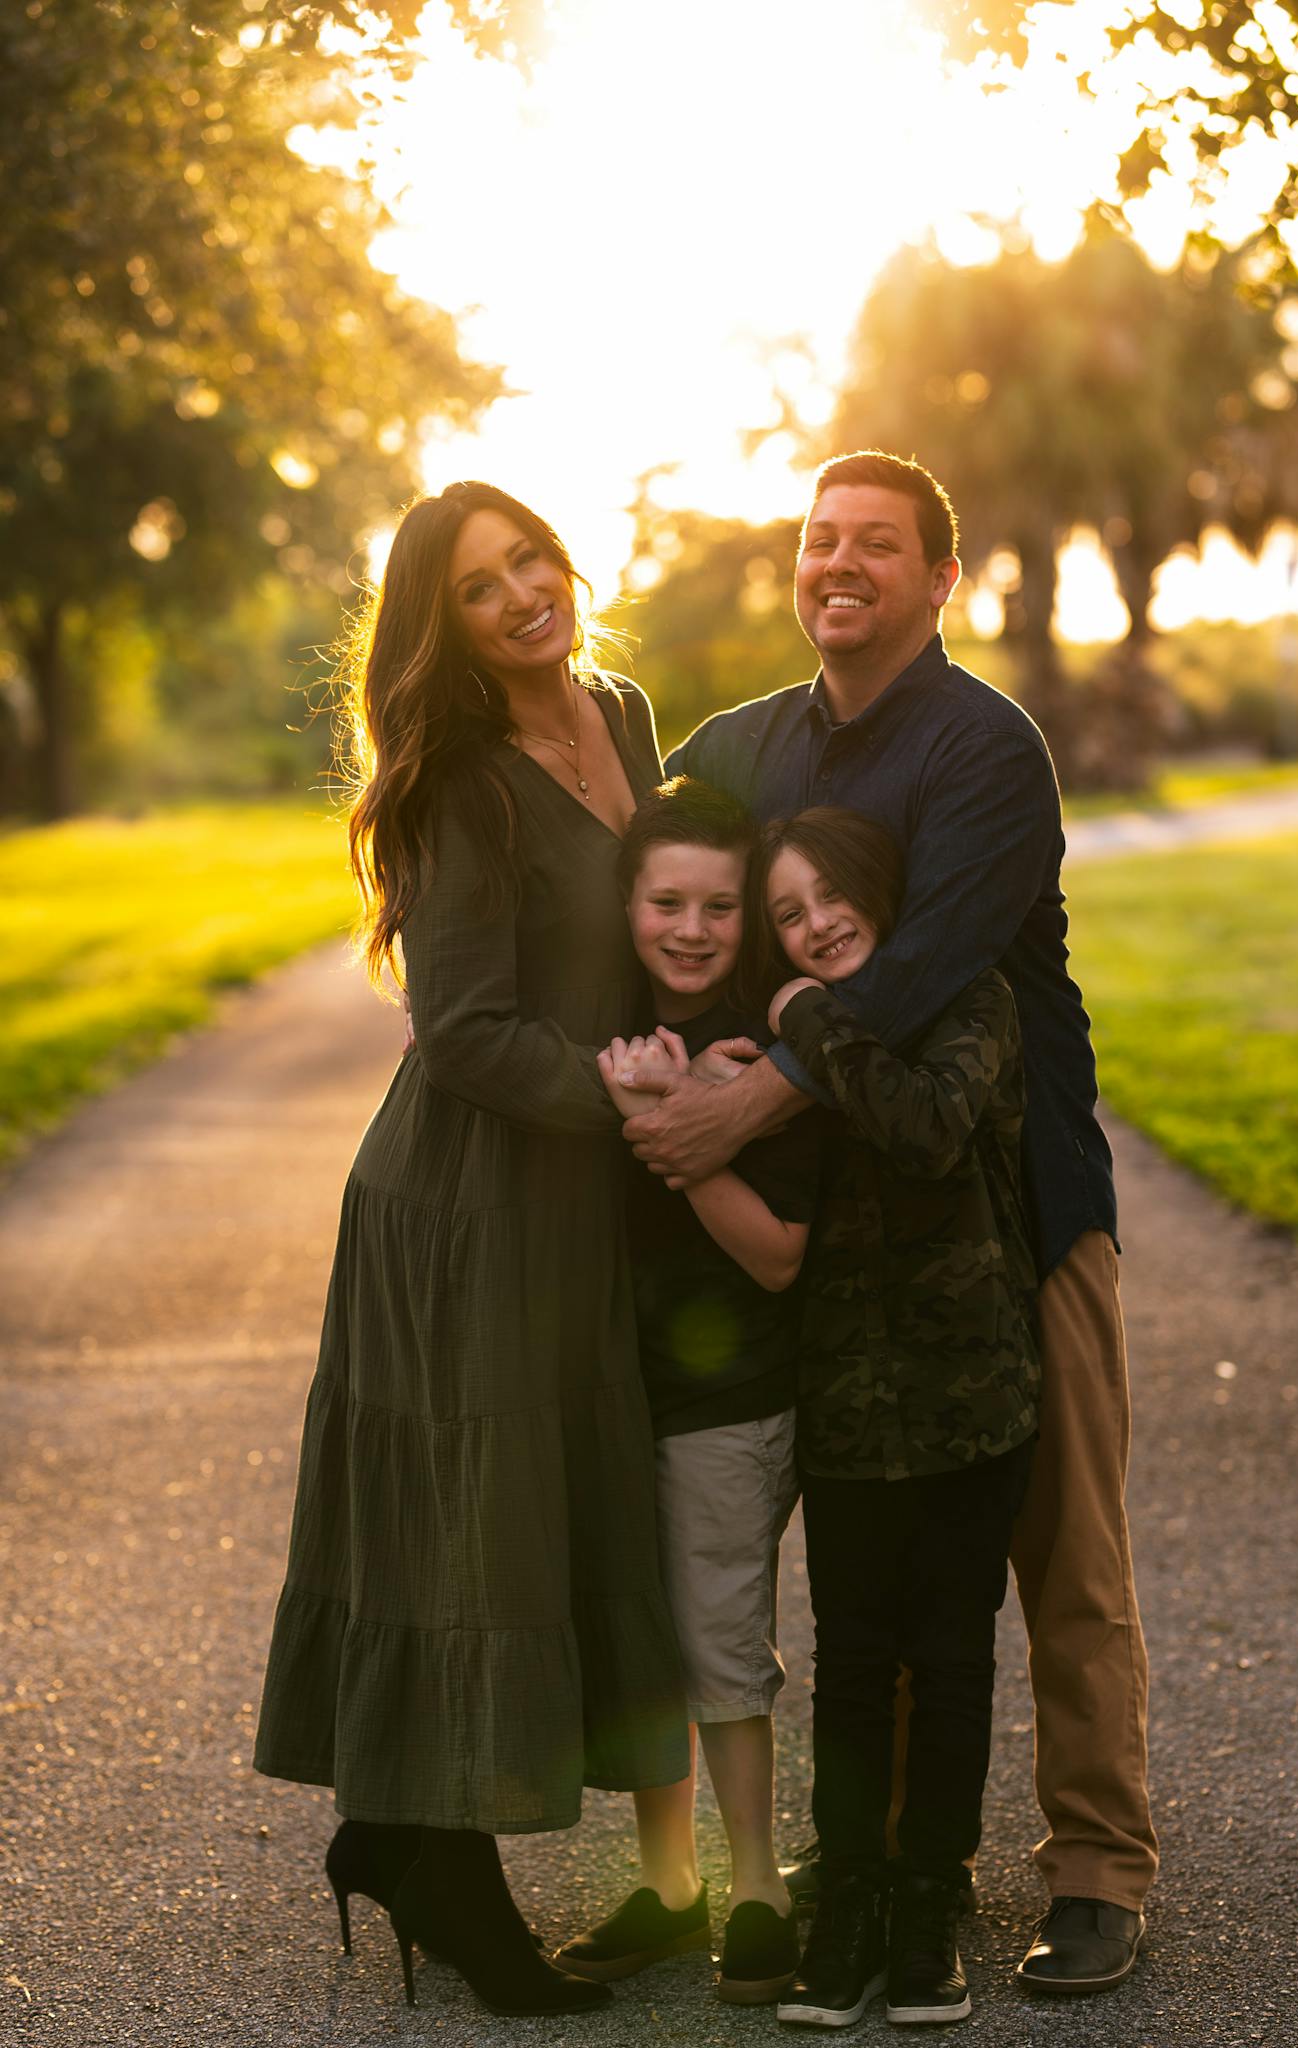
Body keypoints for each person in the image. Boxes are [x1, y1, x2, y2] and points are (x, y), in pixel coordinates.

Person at [622, 449, 1158, 1995]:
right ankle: (904, 1865)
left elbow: (914, 971)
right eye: (816, 540)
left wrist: (743, 1101)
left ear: (940, 580)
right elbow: (639, 838)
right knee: (885, 1568)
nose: (836, 564)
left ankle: (1096, 1866)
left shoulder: (987, 751)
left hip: (1012, 1204)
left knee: (1057, 1550)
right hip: (839, 1234)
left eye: (875, 544)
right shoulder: (745, 745)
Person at [252, 481, 690, 2016]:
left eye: (533, 561)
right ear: (440, 626)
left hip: (581, 1197)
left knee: (543, 1500)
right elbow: (466, 1033)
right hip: (468, 1197)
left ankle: (394, 1829)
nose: (522, 596)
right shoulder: (454, 783)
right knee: (471, 1515)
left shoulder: (623, 717)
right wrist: (638, 1108)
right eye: (481, 587)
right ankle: (446, 1871)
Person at [752, 805, 1038, 2028]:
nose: (813, 926)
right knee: (856, 1663)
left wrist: (803, 1020)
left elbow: (925, 1128)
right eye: (786, 915)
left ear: (880, 891)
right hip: (849, 1405)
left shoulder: (971, 999)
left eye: (829, 897)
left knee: (955, 1658)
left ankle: (929, 1903)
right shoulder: (793, 1047)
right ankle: (851, 1901)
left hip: (975, 1396)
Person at [555, 777, 817, 2005]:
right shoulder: (603, 1026)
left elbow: (774, 1252)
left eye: (719, 903)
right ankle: (669, 1884)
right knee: (642, 1634)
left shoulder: (762, 1050)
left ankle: (757, 1883)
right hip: (617, 1391)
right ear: (628, 903)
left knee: (719, 1639)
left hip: (730, 1398)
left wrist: (675, 1120)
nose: (692, 926)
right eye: (667, 899)